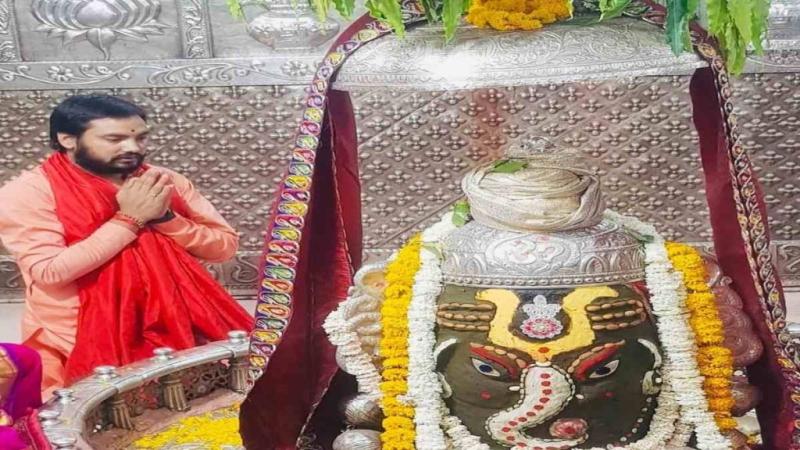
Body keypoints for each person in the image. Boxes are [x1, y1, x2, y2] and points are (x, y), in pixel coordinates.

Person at [0, 95, 253, 394]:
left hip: (178, 322)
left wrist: (166, 218)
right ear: (67, 139)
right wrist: (129, 220)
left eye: (141, 138)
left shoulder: (162, 181)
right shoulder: (28, 192)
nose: (133, 147)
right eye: (114, 139)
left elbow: (224, 248)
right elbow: (49, 272)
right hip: (77, 335)